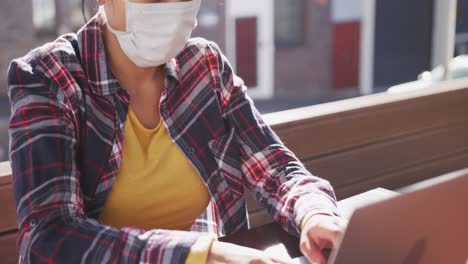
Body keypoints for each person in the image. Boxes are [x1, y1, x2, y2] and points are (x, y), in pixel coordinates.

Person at [7, 0, 347, 263]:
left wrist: (314, 212)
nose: (172, 8)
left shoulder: (205, 67)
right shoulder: (49, 77)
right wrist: (200, 255)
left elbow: (275, 169)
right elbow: (49, 237)